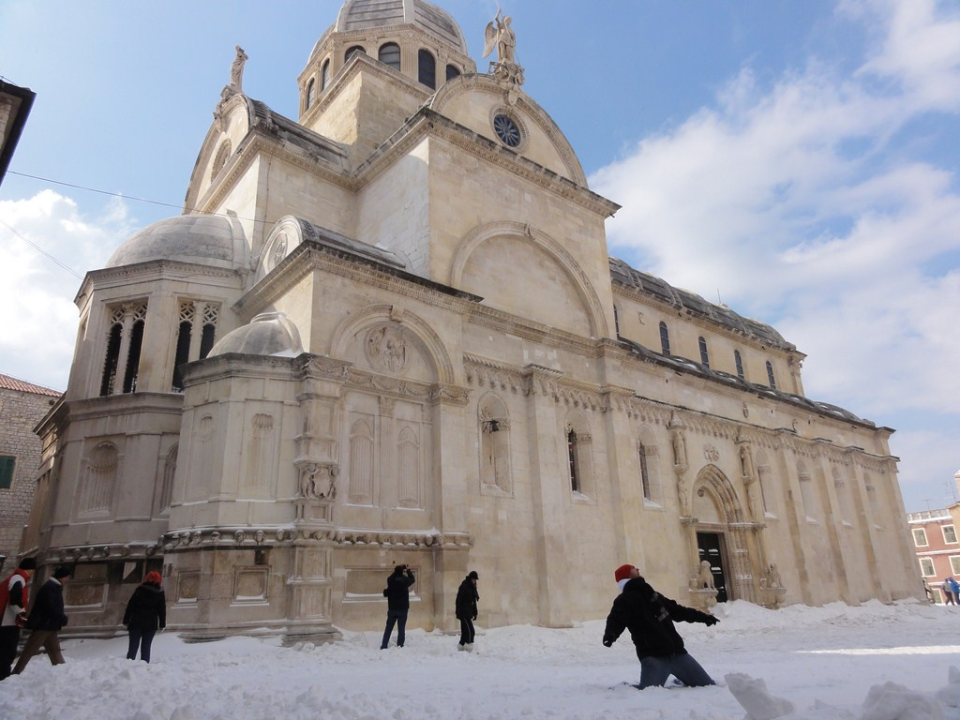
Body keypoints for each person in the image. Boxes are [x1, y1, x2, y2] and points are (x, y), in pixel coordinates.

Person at [603, 574, 719, 689]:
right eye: (633, 569)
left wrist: (703, 617)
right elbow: (616, 619)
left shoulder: (653, 595)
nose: (637, 570)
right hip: (654, 658)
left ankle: (681, 678)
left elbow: (678, 611)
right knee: (647, 691)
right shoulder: (624, 600)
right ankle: (621, 688)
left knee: (707, 685)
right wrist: (611, 634)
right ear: (628, 577)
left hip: (678, 654)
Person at [12, 565, 73, 675]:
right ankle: (16, 672)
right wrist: (61, 617)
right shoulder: (50, 587)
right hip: (45, 624)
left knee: (54, 650)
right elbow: (50, 606)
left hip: (50, 625)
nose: (68, 579)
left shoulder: (53, 587)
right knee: (30, 649)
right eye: (67, 577)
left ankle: (62, 672)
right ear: (61, 576)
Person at [0, 557, 36, 680]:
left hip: (6, 621)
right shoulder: (18, 579)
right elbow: (15, 599)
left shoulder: (15, 578)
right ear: (30, 569)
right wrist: (21, 614)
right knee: (7, 649)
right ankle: (3, 674)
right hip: (7, 621)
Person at [123, 571, 166, 662]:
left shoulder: (140, 589)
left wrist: (126, 620)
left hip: (136, 620)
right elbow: (162, 609)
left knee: (133, 646)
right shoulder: (159, 593)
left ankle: (129, 665)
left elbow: (131, 605)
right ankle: (144, 666)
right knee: (146, 647)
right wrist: (162, 623)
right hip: (151, 622)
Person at [381, 564, 415, 649]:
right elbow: (412, 579)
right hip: (403, 608)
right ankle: (400, 644)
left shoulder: (391, 580)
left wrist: (397, 570)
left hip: (392, 608)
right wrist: (407, 570)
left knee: (388, 628)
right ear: (402, 572)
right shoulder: (405, 580)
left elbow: (390, 577)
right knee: (401, 628)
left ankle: (384, 644)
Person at [456, 570, 479, 651]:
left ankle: (461, 646)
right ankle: (469, 647)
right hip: (464, 612)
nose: (474, 581)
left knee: (465, 631)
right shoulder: (464, 586)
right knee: (470, 631)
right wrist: (458, 612)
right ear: (470, 578)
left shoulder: (473, 587)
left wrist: (475, 613)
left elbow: (474, 601)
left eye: (475, 579)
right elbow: (459, 600)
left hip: (469, 612)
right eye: (473, 579)